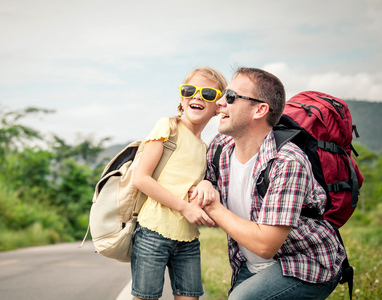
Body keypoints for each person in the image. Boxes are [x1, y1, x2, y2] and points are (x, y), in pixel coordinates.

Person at [192, 67, 345, 300]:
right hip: (251, 263)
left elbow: (265, 244)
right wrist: (205, 183)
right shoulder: (220, 147)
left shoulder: (287, 162)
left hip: (306, 264)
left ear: (260, 110)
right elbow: (209, 179)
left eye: (231, 97)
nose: (220, 102)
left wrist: (213, 207)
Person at [131, 66, 228, 300]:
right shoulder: (169, 127)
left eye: (207, 94)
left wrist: (206, 184)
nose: (196, 96)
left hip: (188, 239)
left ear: (218, 106)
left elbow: (193, 184)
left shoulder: (207, 148)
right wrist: (185, 207)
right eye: (190, 90)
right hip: (154, 231)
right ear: (182, 99)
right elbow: (141, 178)